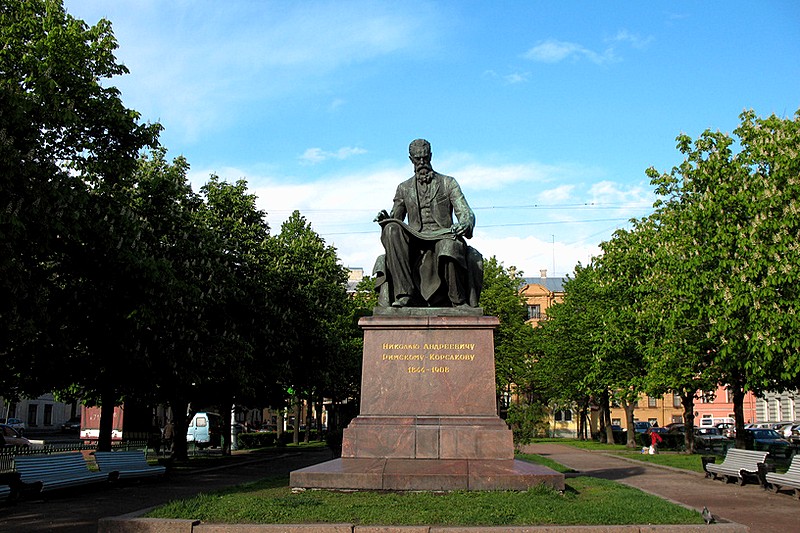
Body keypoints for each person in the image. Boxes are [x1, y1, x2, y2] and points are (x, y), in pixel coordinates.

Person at [374, 139, 482, 307]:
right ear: (411, 159)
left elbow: (466, 213)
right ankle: (404, 294)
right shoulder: (404, 188)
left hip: (444, 234)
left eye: (425, 158)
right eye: (418, 159)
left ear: (431, 156)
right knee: (391, 229)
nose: (422, 162)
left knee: (448, 246)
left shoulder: (448, 183)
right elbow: (396, 216)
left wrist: (465, 223)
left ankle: (458, 301)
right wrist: (385, 218)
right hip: (415, 239)